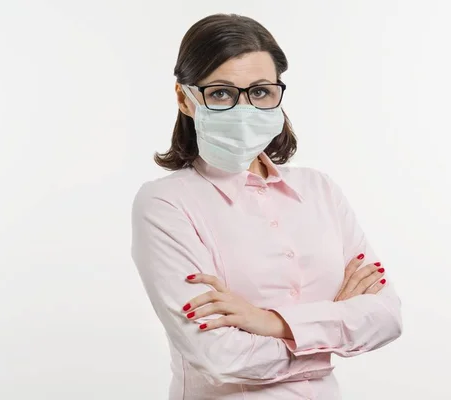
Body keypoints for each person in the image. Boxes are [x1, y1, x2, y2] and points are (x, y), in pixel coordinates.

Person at [131, 13, 402, 400]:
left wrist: (269, 322)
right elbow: (220, 356)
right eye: (221, 93)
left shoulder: (319, 189)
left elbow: (387, 317)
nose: (244, 109)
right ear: (185, 99)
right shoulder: (165, 204)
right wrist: (333, 330)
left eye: (260, 92)